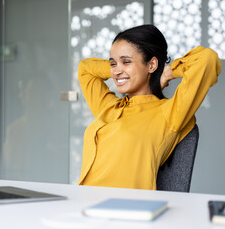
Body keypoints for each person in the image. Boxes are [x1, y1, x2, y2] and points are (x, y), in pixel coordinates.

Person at [77, 24, 222, 190]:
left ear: (152, 65)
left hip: (125, 207)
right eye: (113, 64)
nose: (116, 72)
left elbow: (207, 59)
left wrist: (168, 72)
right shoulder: (109, 107)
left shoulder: (170, 113)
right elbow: (85, 68)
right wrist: (120, 68)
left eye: (126, 62)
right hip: (83, 200)